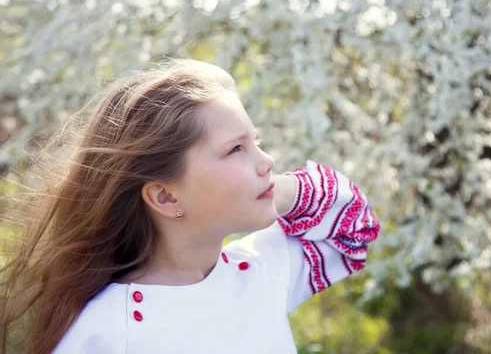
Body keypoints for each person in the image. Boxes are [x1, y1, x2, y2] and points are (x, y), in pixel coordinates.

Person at [0, 58, 380, 354]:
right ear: (166, 197)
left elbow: (355, 227)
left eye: (256, 141)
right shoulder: (110, 331)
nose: (267, 162)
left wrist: (276, 192)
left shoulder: (262, 268)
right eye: (235, 149)